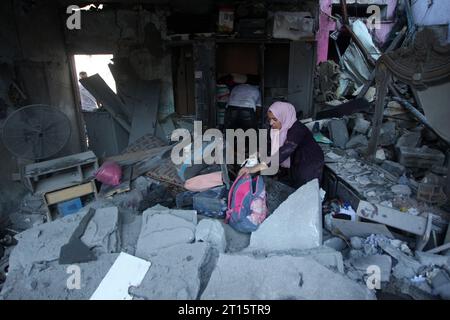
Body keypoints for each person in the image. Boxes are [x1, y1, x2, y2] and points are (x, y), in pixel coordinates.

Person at [238, 101, 324, 189]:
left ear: (283, 117)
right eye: (270, 119)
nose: (271, 123)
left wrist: (252, 169)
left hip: (310, 161)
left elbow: (282, 154)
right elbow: (268, 145)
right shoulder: (276, 129)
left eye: (275, 119)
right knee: (295, 186)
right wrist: (254, 156)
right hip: (295, 160)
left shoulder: (297, 130)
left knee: (306, 190)